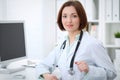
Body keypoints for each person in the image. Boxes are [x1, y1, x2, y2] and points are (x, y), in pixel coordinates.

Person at [36, 0, 116, 80]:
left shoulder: (93, 44)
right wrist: (46, 75)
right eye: (65, 16)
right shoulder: (62, 43)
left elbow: (112, 73)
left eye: (74, 16)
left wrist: (89, 70)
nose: (69, 20)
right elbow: (42, 65)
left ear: (81, 18)